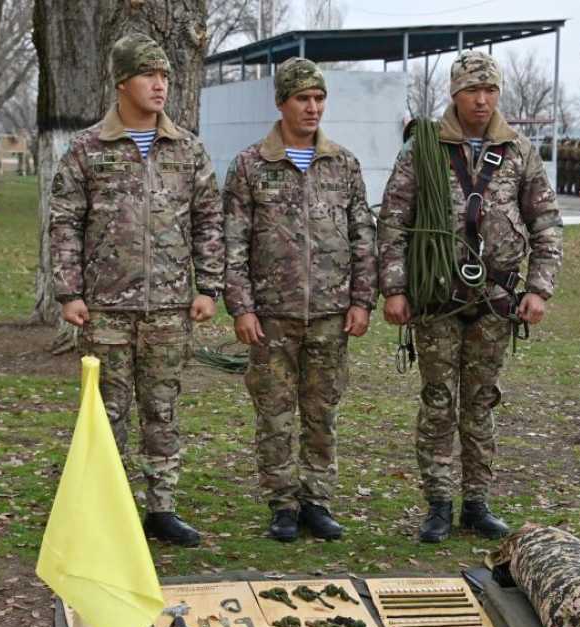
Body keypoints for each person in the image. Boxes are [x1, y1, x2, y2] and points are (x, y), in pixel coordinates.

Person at [377, 51, 563, 544]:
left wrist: (540, 288)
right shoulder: (423, 149)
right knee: (439, 401)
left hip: (498, 299)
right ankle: (438, 503)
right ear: (453, 94)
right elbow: (393, 221)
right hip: (436, 297)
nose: (481, 100)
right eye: (471, 91)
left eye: (490, 91)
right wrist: (395, 288)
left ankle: (477, 502)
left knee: (480, 402)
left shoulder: (518, 150)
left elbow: (546, 223)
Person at [50, 33, 225, 547]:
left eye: (166, 76)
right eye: (150, 75)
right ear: (122, 81)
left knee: (163, 408)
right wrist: (69, 292)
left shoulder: (186, 148)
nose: (160, 85)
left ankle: (162, 508)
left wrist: (208, 286)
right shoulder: (88, 148)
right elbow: (65, 222)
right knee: (107, 413)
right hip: (105, 308)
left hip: (170, 306)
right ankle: (108, 509)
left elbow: (208, 220)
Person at [222, 58, 377, 543]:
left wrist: (362, 301)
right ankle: (282, 503)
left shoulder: (343, 164)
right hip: (272, 316)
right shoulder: (251, 165)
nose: (313, 108)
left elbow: (362, 237)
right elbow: (233, 243)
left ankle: (317, 500)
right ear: (281, 103)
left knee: (321, 412)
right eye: (302, 99)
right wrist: (242, 307)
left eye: (318, 99)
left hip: (330, 314)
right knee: (274, 413)